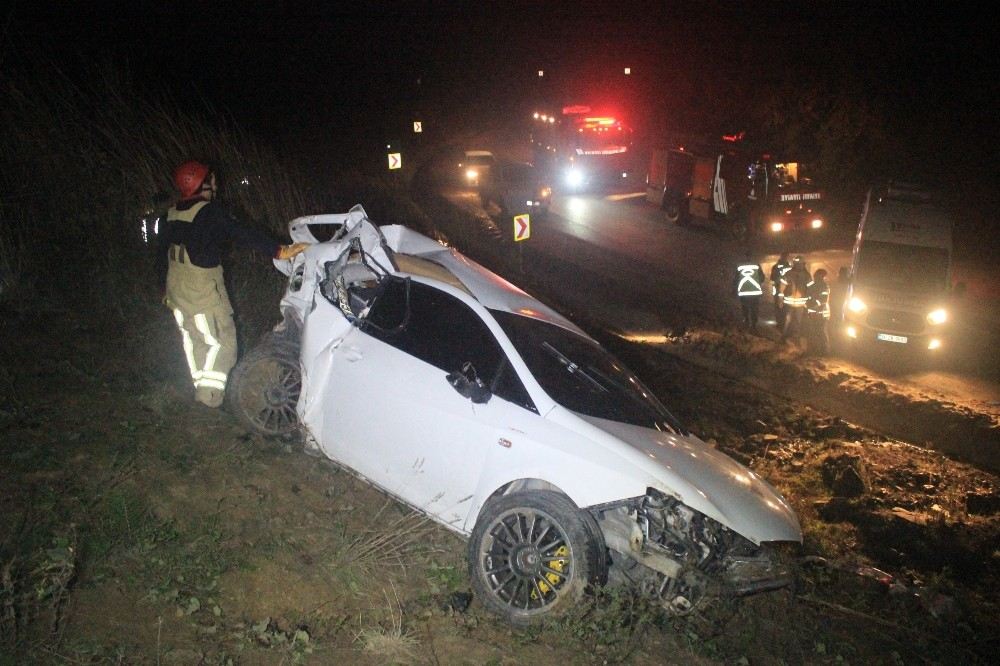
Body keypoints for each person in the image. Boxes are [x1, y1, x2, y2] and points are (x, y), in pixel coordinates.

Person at [158, 160, 307, 407]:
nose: (216, 183)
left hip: (175, 288)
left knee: (194, 339)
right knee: (223, 342)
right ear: (201, 184)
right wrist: (278, 250)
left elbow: (160, 253)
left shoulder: (173, 212)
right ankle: (209, 400)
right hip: (201, 289)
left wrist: (161, 289)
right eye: (211, 179)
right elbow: (242, 231)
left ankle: (201, 390)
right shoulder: (209, 212)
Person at [781, 255, 810, 345]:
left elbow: (810, 289)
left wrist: (808, 301)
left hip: (800, 303)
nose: (799, 265)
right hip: (789, 302)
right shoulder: (788, 274)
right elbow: (782, 286)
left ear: (803, 264)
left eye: (800, 264)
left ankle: (796, 338)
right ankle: (784, 337)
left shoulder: (806, 275)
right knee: (787, 320)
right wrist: (780, 298)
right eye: (797, 264)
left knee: (798, 321)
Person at [733, 252, 765, 332]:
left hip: (743, 292)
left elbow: (736, 279)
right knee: (754, 308)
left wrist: (734, 290)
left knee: (745, 307)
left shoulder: (739, 266)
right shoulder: (756, 265)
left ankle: (746, 321)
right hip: (755, 292)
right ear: (751, 257)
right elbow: (762, 277)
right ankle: (753, 325)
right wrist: (758, 282)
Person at [806, 268, 831, 355]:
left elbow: (823, 300)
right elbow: (808, 296)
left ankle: (825, 351)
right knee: (813, 331)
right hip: (813, 313)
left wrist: (813, 304)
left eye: (818, 275)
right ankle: (815, 349)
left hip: (821, 313)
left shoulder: (824, 286)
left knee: (821, 332)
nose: (816, 277)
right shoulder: (812, 285)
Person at [769, 252, 791, 330]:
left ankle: (780, 323)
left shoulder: (776, 267)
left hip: (780, 291)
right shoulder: (790, 267)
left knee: (779, 307)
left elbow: (772, 278)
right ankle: (782, 323)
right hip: (785, 291)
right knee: (784, 307)